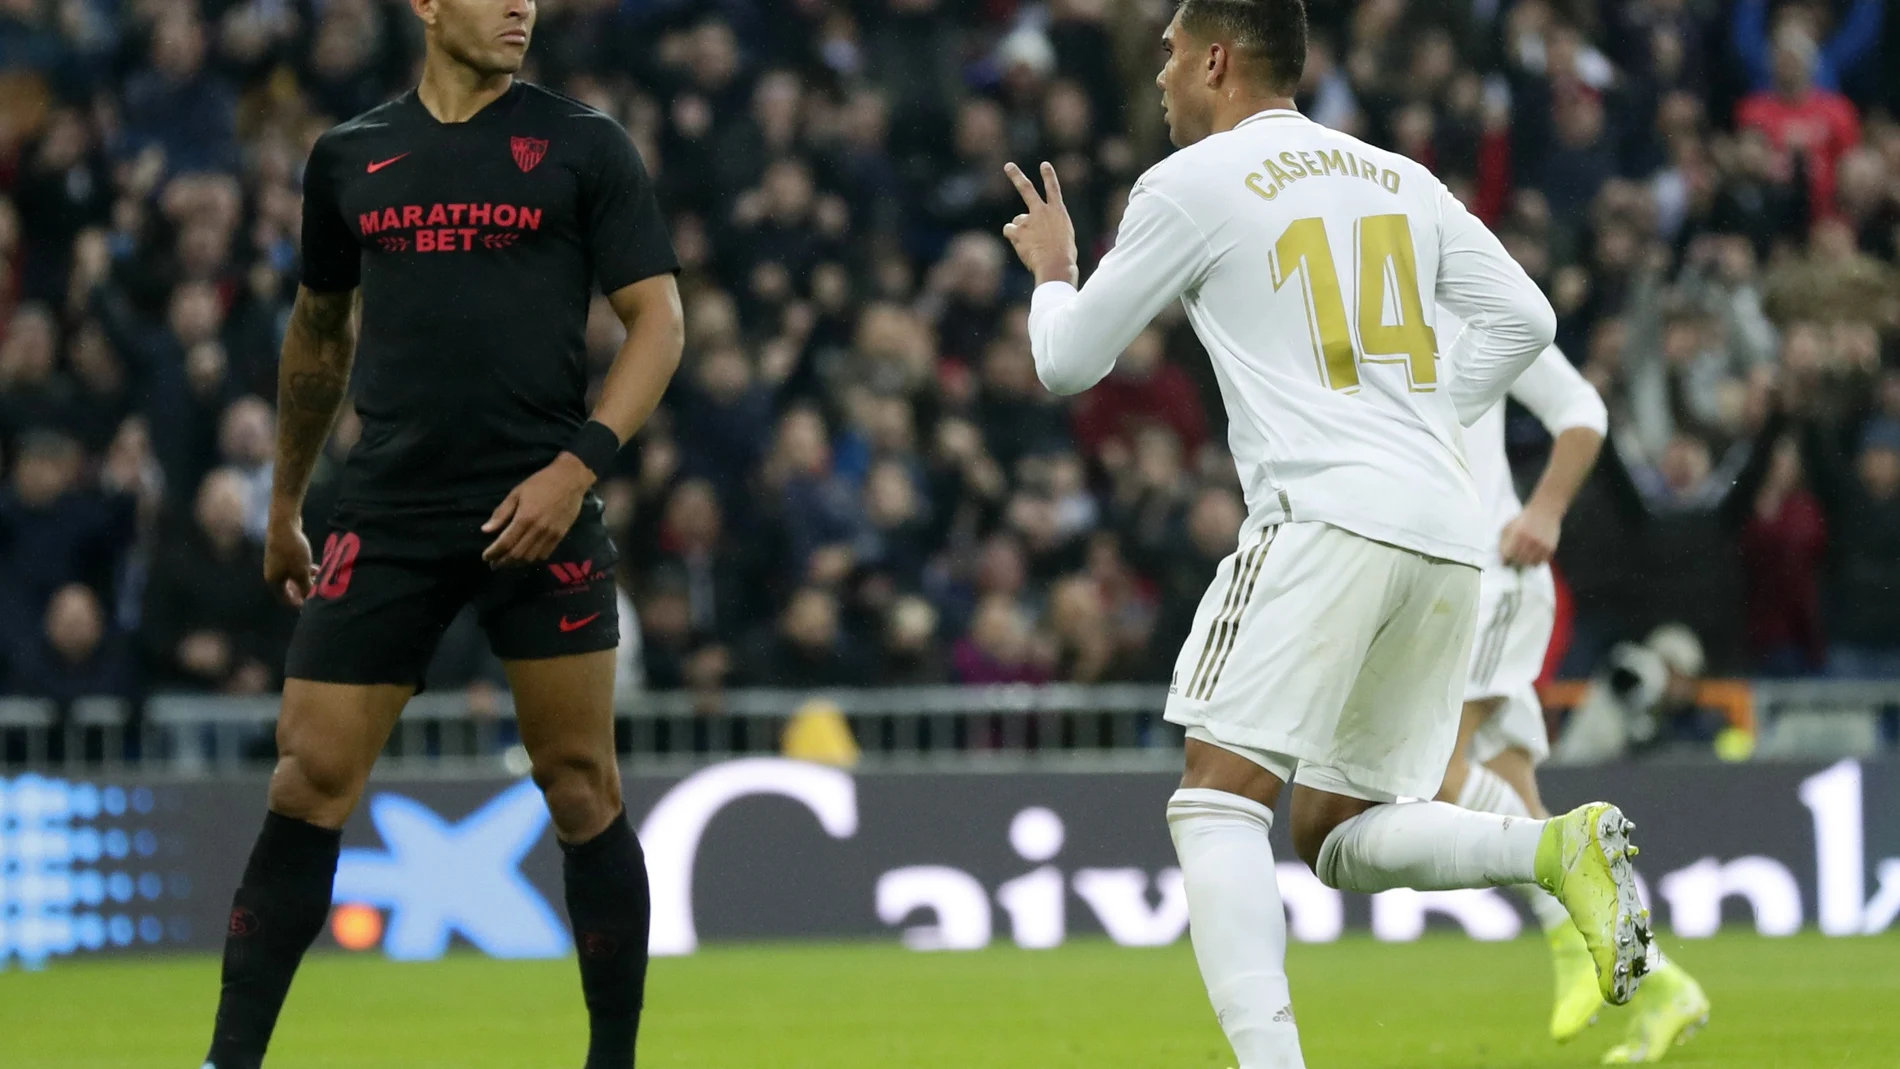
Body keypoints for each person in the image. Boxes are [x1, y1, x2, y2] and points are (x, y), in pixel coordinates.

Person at [997, 2, 1647, 1065]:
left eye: (1167, 53)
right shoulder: (1395, 175)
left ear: (1215, 58)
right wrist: (1433, 412)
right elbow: (1527, 319)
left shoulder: (1190, 184)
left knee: (1215, 801)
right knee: (1333, 832)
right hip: (1444, 528)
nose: (1159, 75)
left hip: (1320, 514)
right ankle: (1549, 849)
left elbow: (1068, 363)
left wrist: (1055, 271)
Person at [197, 0, 684, 1064]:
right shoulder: (349, 157)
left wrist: (576, 466)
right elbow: (318, 330)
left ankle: (613, 1059)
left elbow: (660, 321)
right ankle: (228, 1058)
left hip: (540, 506)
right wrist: (285, 503)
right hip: (390, 510)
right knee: (307, 776)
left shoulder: (583, 145)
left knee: (579, 783)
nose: (522, 7)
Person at [1431, 323, 1710, 1061]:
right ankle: (1663, 986)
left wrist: (1546, 507)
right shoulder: (1348, 290)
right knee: (1519, 804)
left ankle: (1563, 938)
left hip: (1490, 578)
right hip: (1432, 588)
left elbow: (1580, 407)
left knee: (1434, 770)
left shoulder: (1466, 294)